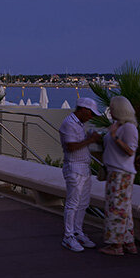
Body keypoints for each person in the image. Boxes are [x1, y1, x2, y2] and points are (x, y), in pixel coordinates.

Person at [59, 97, 103, 252]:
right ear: (83, 110)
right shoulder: (69, 124)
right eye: (90, 114)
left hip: (83, 168)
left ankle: (77, 231)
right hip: (74, 168)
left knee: (83, 203)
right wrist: (90, 140)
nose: (91, 117)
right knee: (73, 203)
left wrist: (89, 138)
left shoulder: (78, 124)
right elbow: (71, 146)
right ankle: (68, 236)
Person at [99, 96, 139, 256]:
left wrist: (115, 136)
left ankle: (115, 245)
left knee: (116, 208)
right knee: (123, 209)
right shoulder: (117, 125)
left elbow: (130, 150)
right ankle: (129, 242)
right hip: (115, 171)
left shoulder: (129, 128)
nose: (110, 111)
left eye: (113, 108)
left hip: (122, 173)